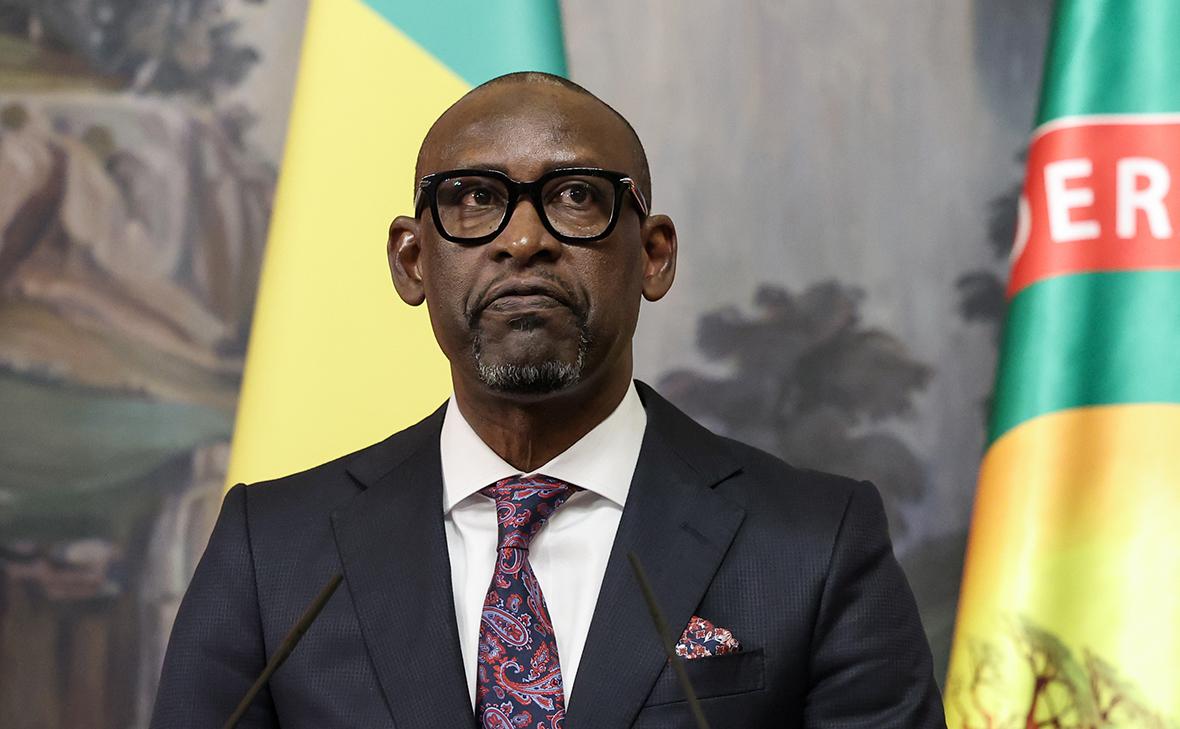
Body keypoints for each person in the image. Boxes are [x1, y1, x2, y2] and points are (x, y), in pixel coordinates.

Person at [150, 72, 946, 729]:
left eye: (575, 196)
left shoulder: (813, 544)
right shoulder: (273, 552)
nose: (524, 239)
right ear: (412, 260)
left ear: (654, 256)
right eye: (473, 197)